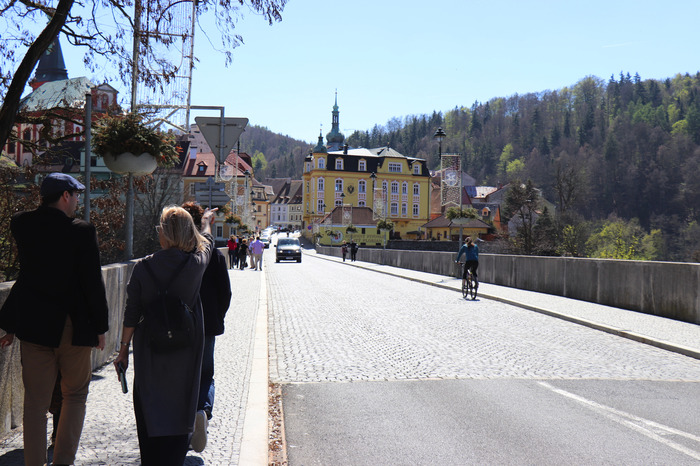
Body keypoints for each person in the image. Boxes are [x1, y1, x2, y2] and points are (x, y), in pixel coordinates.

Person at [0, 172, 109, 466]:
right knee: (74, 395)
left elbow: (26, 277)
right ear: (65, 196)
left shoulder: (22, 225)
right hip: (73, 328)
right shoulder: (82, 231)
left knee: (35, 403)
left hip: (34, 326)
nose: (76, 201)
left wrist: (10, 323)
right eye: (75, 196)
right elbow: (92, 283)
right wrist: (101, 327)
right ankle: (63, 461)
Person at [113, 205, 216, 464]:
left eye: (161, 228)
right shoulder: (195, 264)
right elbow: (208, 243)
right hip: (185, 355)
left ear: (166, 234)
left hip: (150, 355)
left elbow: (131, 314)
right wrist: (205, 222)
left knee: (149, 416)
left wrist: (123, 350)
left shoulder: (143, 268)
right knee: (179, 421)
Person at [181, 202, 232, 426]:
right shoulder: (214, 255)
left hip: (179, 323)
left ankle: (181, 416)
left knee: (181, 371)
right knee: (205, 374)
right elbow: (226, 292)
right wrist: (216, 316)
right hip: (207, 324)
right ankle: (202, 410)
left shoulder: (175, 252)